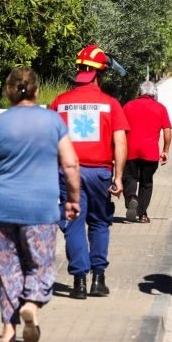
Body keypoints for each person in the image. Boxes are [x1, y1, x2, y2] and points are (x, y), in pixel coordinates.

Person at [0, 67, 81, 342]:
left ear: (9, 92)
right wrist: (74, 198)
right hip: (41, 208)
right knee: (41, 263)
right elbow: (71, 164)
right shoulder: (53, 122)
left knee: (6, 269)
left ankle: (7, 331)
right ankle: (32, 304)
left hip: (2, 208)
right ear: (36, 90)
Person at [50, 44, 129, 300]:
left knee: (73, 223)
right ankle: (98, 279)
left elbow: (49, 139)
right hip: (100, 173)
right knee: (99, 223)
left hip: (67, 172)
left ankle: (79, 282)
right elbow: (120, 142)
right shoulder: (110, 104)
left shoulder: (60, 103)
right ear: (99, 74)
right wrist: (118, 177)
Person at [122, 81, 172, 223]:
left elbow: (120, 129)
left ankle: (132, 197)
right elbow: (167, 132)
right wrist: (165, 150)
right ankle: (142, 215)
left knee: (129, 178)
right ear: (154, 94)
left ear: (139, 92)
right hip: (150, 153)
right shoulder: (160, 108)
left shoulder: (128, 106)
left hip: (129, 151)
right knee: (146, 183)